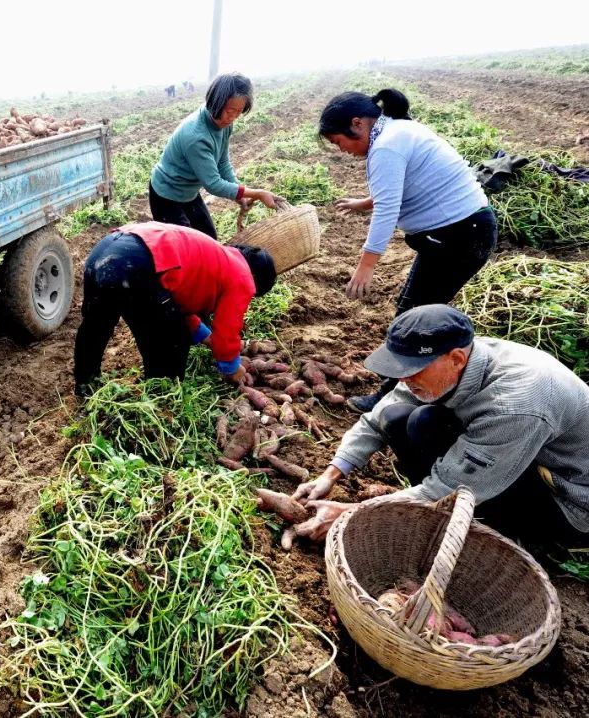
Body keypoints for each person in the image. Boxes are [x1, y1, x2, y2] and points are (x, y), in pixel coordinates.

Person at [289, 305, 589, 547]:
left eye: (411, 371)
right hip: (525, 460)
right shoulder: (456, 357)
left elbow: (454, 487)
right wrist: (331, 474)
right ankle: (432, 512)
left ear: (456, 359)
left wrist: (350, 514)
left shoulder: (516, 404)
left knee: (426, 425)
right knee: (400, 416)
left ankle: (499, 533)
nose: (404, 379)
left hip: (567, 503)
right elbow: (379, 416)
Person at [319, 88, 497, 413]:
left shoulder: (386, 146)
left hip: (458, 237)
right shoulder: (397, 130)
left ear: (357, 124)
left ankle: (395, 396)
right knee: (413, 312)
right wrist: (365, 202)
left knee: (413, 319)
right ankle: (424, 383)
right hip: (461, 233)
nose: (341, 149)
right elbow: (406, 181)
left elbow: (389, 207)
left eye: (338, 141)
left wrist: (367, 264)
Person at [73, 221, 276, 396]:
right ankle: (161, 397)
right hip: (135, 263)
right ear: (256, 280)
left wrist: (204, 335)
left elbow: (179, 302)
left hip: (106, 249)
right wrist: (232, 368)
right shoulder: (243, 277)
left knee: (96, 324)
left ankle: (85, 383)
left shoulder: (219, 256)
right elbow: (227, 330)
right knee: (172, 340)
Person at [149, 73, 284, 240]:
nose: (232, 117)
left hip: (189, 193)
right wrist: (258, 194)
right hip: (167, 194)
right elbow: (213, 184)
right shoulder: (196, 136)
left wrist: (240, 195)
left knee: (209, 239)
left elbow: (222, 162)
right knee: (185, 248)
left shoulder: (224, 123)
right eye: (229, 111)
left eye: (239, 112)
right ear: (216, 102)